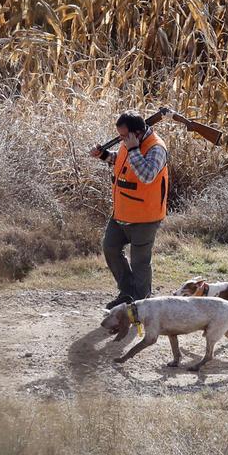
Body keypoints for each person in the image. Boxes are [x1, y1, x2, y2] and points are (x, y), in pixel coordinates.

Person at [89, 111, 170, 310]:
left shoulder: (156, 148)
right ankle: (127, 293)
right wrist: (104, 155)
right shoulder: (130, 143)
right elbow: (121, 161)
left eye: (124, 136)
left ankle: (140, 304)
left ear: (138, 133)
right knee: (110, 248)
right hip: (121, 213)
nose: (122, 140)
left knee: (140, 262)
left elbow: (147, 175)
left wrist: (133, 149)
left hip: (145, 217)